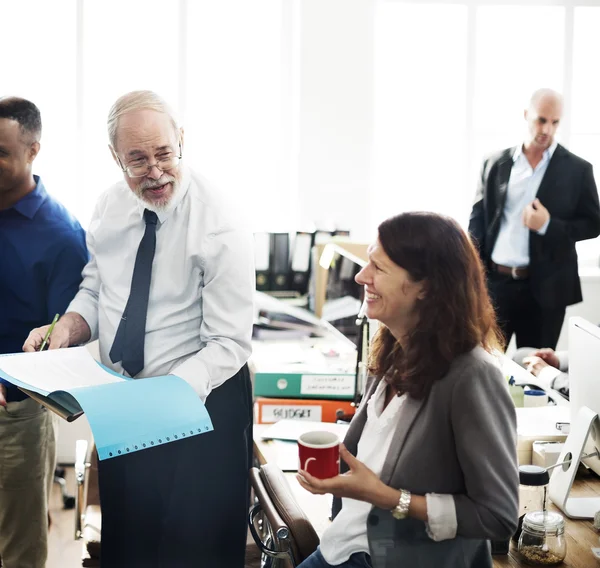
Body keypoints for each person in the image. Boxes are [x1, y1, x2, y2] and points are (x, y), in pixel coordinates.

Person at [23, 90, 255, 567]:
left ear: (181, 141)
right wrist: (68, 327)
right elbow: (96, 287)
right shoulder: (110, 205)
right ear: (115, 157)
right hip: (125, 399)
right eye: (137, 159)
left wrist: (164, 401)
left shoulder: (220, 220)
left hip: (202, 404)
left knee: (194, 552)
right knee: (130, 543)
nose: (155, 171)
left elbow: (229, 341)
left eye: (164, 154)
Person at [296, 212, 519, 568]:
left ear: (426, 287)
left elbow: (497, 515)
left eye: (378, 268)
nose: (360, 276)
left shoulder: (472, 375)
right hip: (344, 546)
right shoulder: (392, 349)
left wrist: (389, 498)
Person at [0, 97, 88, 568]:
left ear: (33, 150)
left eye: (1, 151)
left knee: (16, 548)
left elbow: (60, 349)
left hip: (12, 416)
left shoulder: (62, 236)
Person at [468, 88, 600, 351]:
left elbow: (594, 224)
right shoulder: (495, 162)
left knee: (537, 374)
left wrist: (548, 225)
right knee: (487, 365)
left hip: (546, 292)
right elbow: (477, 221)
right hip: (496, 285)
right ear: (527, 115)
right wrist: (471, 274)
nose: (547, 130)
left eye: (555, 122)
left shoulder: (578, 170)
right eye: (542, 120)